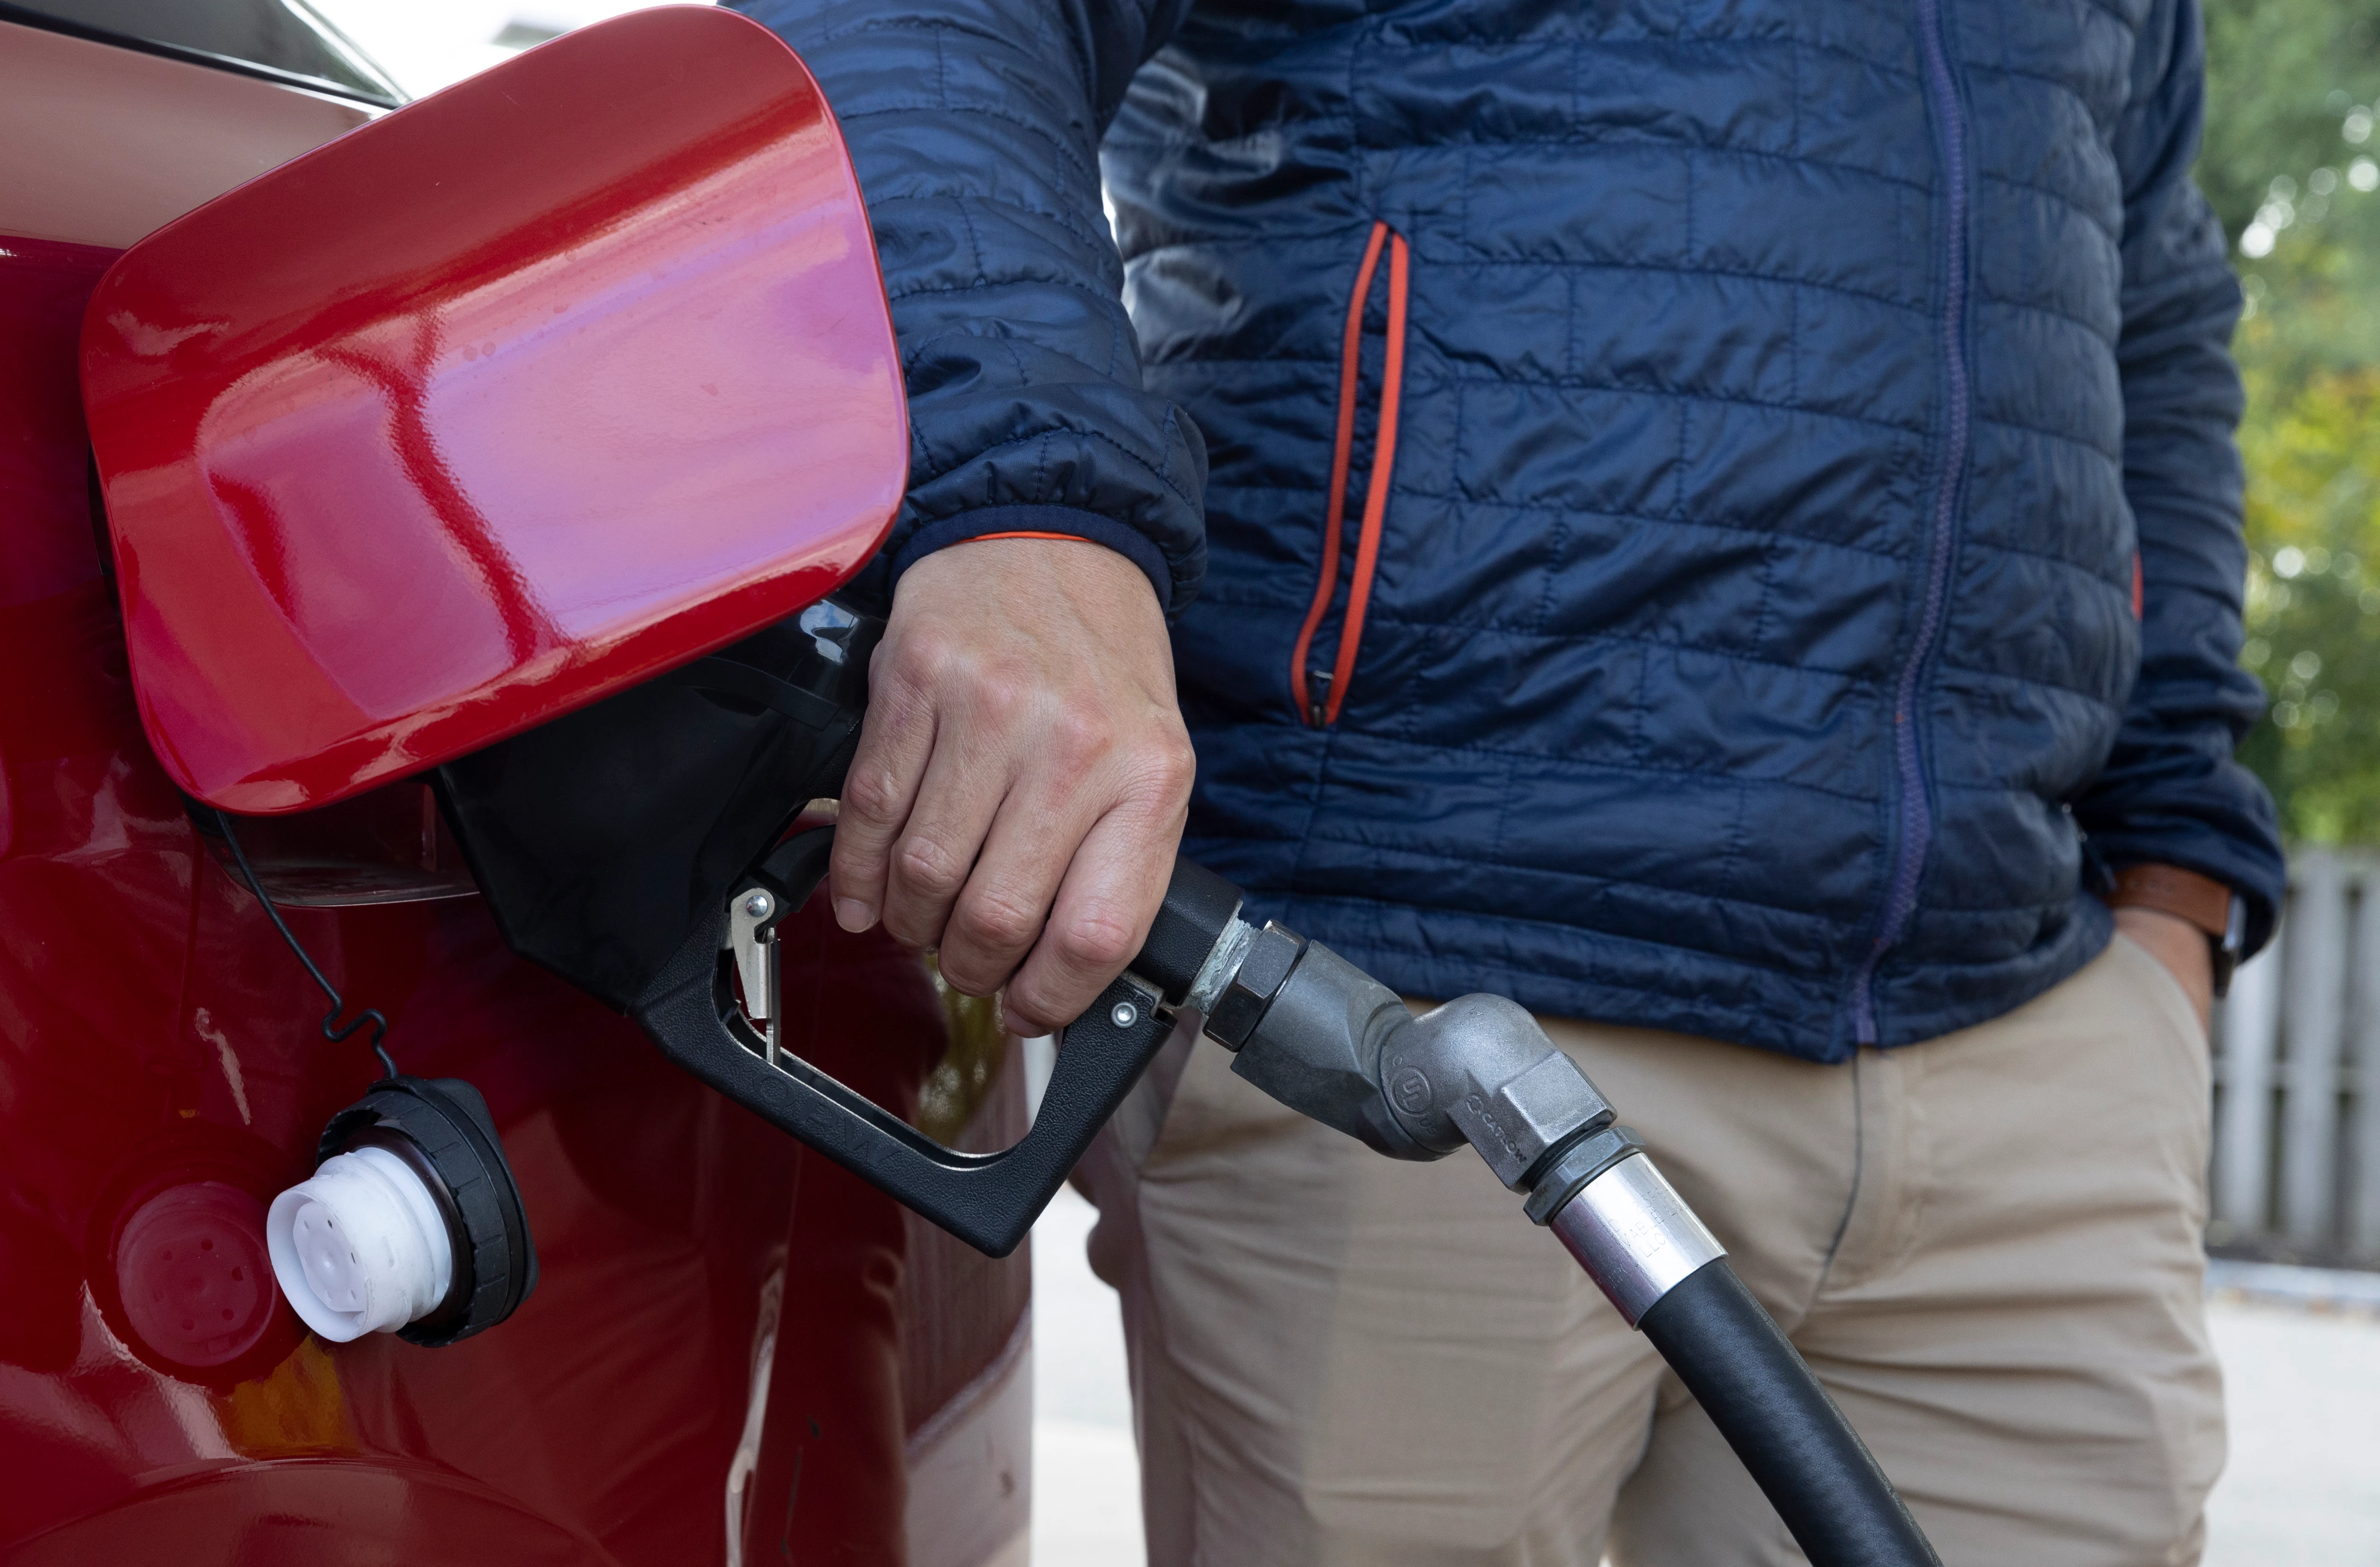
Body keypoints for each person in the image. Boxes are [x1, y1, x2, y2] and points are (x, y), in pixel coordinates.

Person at [741, 0, 2285, 1560]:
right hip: (1405, 1022)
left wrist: (2177, 884)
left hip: (2024, 1060)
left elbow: (2148, 307)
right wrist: (1024, 504)